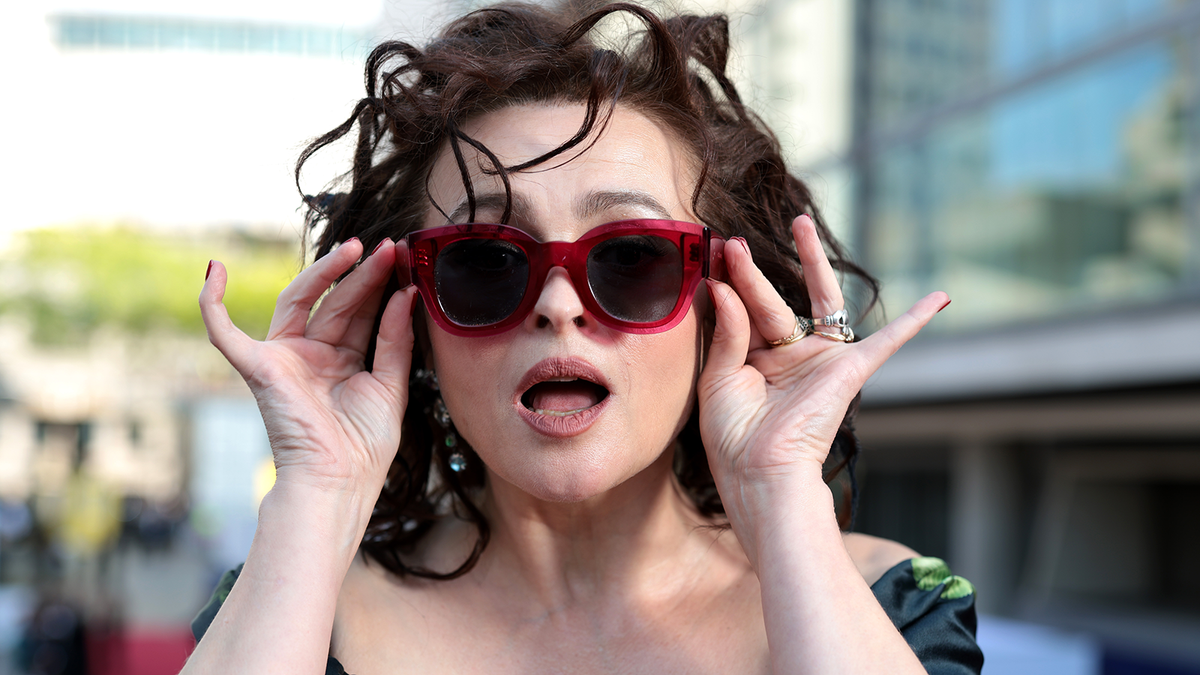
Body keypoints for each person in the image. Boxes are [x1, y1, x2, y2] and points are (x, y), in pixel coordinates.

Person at [186, 2, 982, 673]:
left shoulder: (885, 601)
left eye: (632, 258)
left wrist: (784, 497)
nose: (559, 305)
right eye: (484, 263)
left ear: (722, 308)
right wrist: (317, 491)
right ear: (414, 322)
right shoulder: (298, 607)